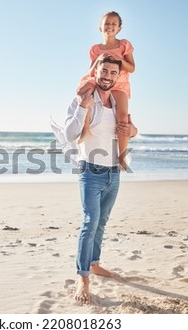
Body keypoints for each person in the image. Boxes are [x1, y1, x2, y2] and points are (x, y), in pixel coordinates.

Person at [52, 55, 137, 304]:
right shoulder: (84, 99)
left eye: (113, 73)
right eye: (104, 71)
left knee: (102, 223)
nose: (107, 76)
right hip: (90, 171)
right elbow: (69, 134)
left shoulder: (118, 104)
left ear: (118, 76)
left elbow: (130, 129)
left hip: (114, 171)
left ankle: (95, 264)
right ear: (96, 71)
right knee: (90, 222)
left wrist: (133, 131)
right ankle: (83, 278)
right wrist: (82, 106)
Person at [77, 11, 135, 171]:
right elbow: (91, 72)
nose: (110, 26)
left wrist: (119, 60)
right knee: (83, 90)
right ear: (100, 27)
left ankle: (121, 157)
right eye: (106, 23)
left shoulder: (124, 45)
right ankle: (85, 130)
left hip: (119, 83)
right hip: (99, 79)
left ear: (119, 28)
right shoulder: (95, 49)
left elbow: (132, 68)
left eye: (113, 24)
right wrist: (98, 62)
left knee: (122, 117)